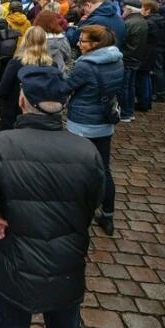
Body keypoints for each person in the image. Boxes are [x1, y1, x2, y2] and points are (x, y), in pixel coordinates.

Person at [0, 65, 104, 328]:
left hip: (12, 269)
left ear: (21, 100)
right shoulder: (88, 152)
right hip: (67, 266)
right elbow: (96, 200)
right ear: (63, 104)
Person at [60, 25, 124, 236]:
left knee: (77, 169)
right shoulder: (116, 59)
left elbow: (66, 87)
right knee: (104, 168)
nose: (78, 43)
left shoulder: (85, 65)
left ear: (96, 44)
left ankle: (76, 212)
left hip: (83, 123)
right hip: (104, 122)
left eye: (83, 41)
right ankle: (107, 214)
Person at [119, 0, 148, 122]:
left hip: (128, 58)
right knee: (130, 86)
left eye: (124, 9)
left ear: (129, 9)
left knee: (124, 87)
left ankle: (125, 113)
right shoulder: (141, 21)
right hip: (136, 57)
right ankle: (129, 111)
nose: (122, 11)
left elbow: (123, 40)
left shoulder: (129, 23)